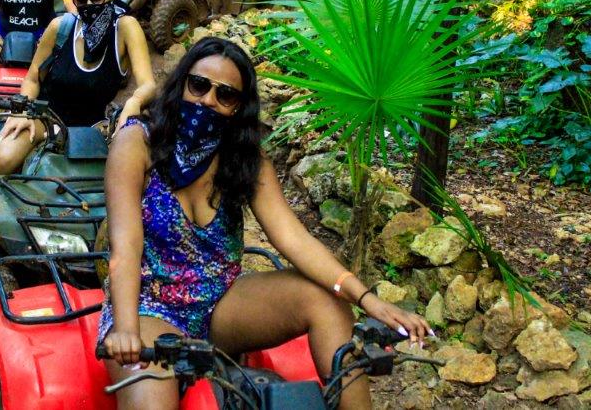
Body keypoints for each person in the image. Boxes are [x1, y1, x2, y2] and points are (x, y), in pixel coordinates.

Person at [98, 38, 432, 410]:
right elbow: (125, 249)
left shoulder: (242, 158)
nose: (208, 100)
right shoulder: (138, 143)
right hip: (150, 307)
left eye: (225, 95)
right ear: (181, 83)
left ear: (238, 107)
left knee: (327, 299)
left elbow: (292, 237)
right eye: (199, 85)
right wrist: (126, 329)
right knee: (152, 395)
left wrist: (368, 299)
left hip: (218, 305)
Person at [0, 0, 156, 175]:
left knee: (139, 173)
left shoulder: (125, 27)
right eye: (81, 0)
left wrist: (135, 102)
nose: (89, 5)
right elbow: (32, 79)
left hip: (95, 128)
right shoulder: (61, 27)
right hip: (46, 118)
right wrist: (22, 113)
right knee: (4, 159)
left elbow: (148, 84)